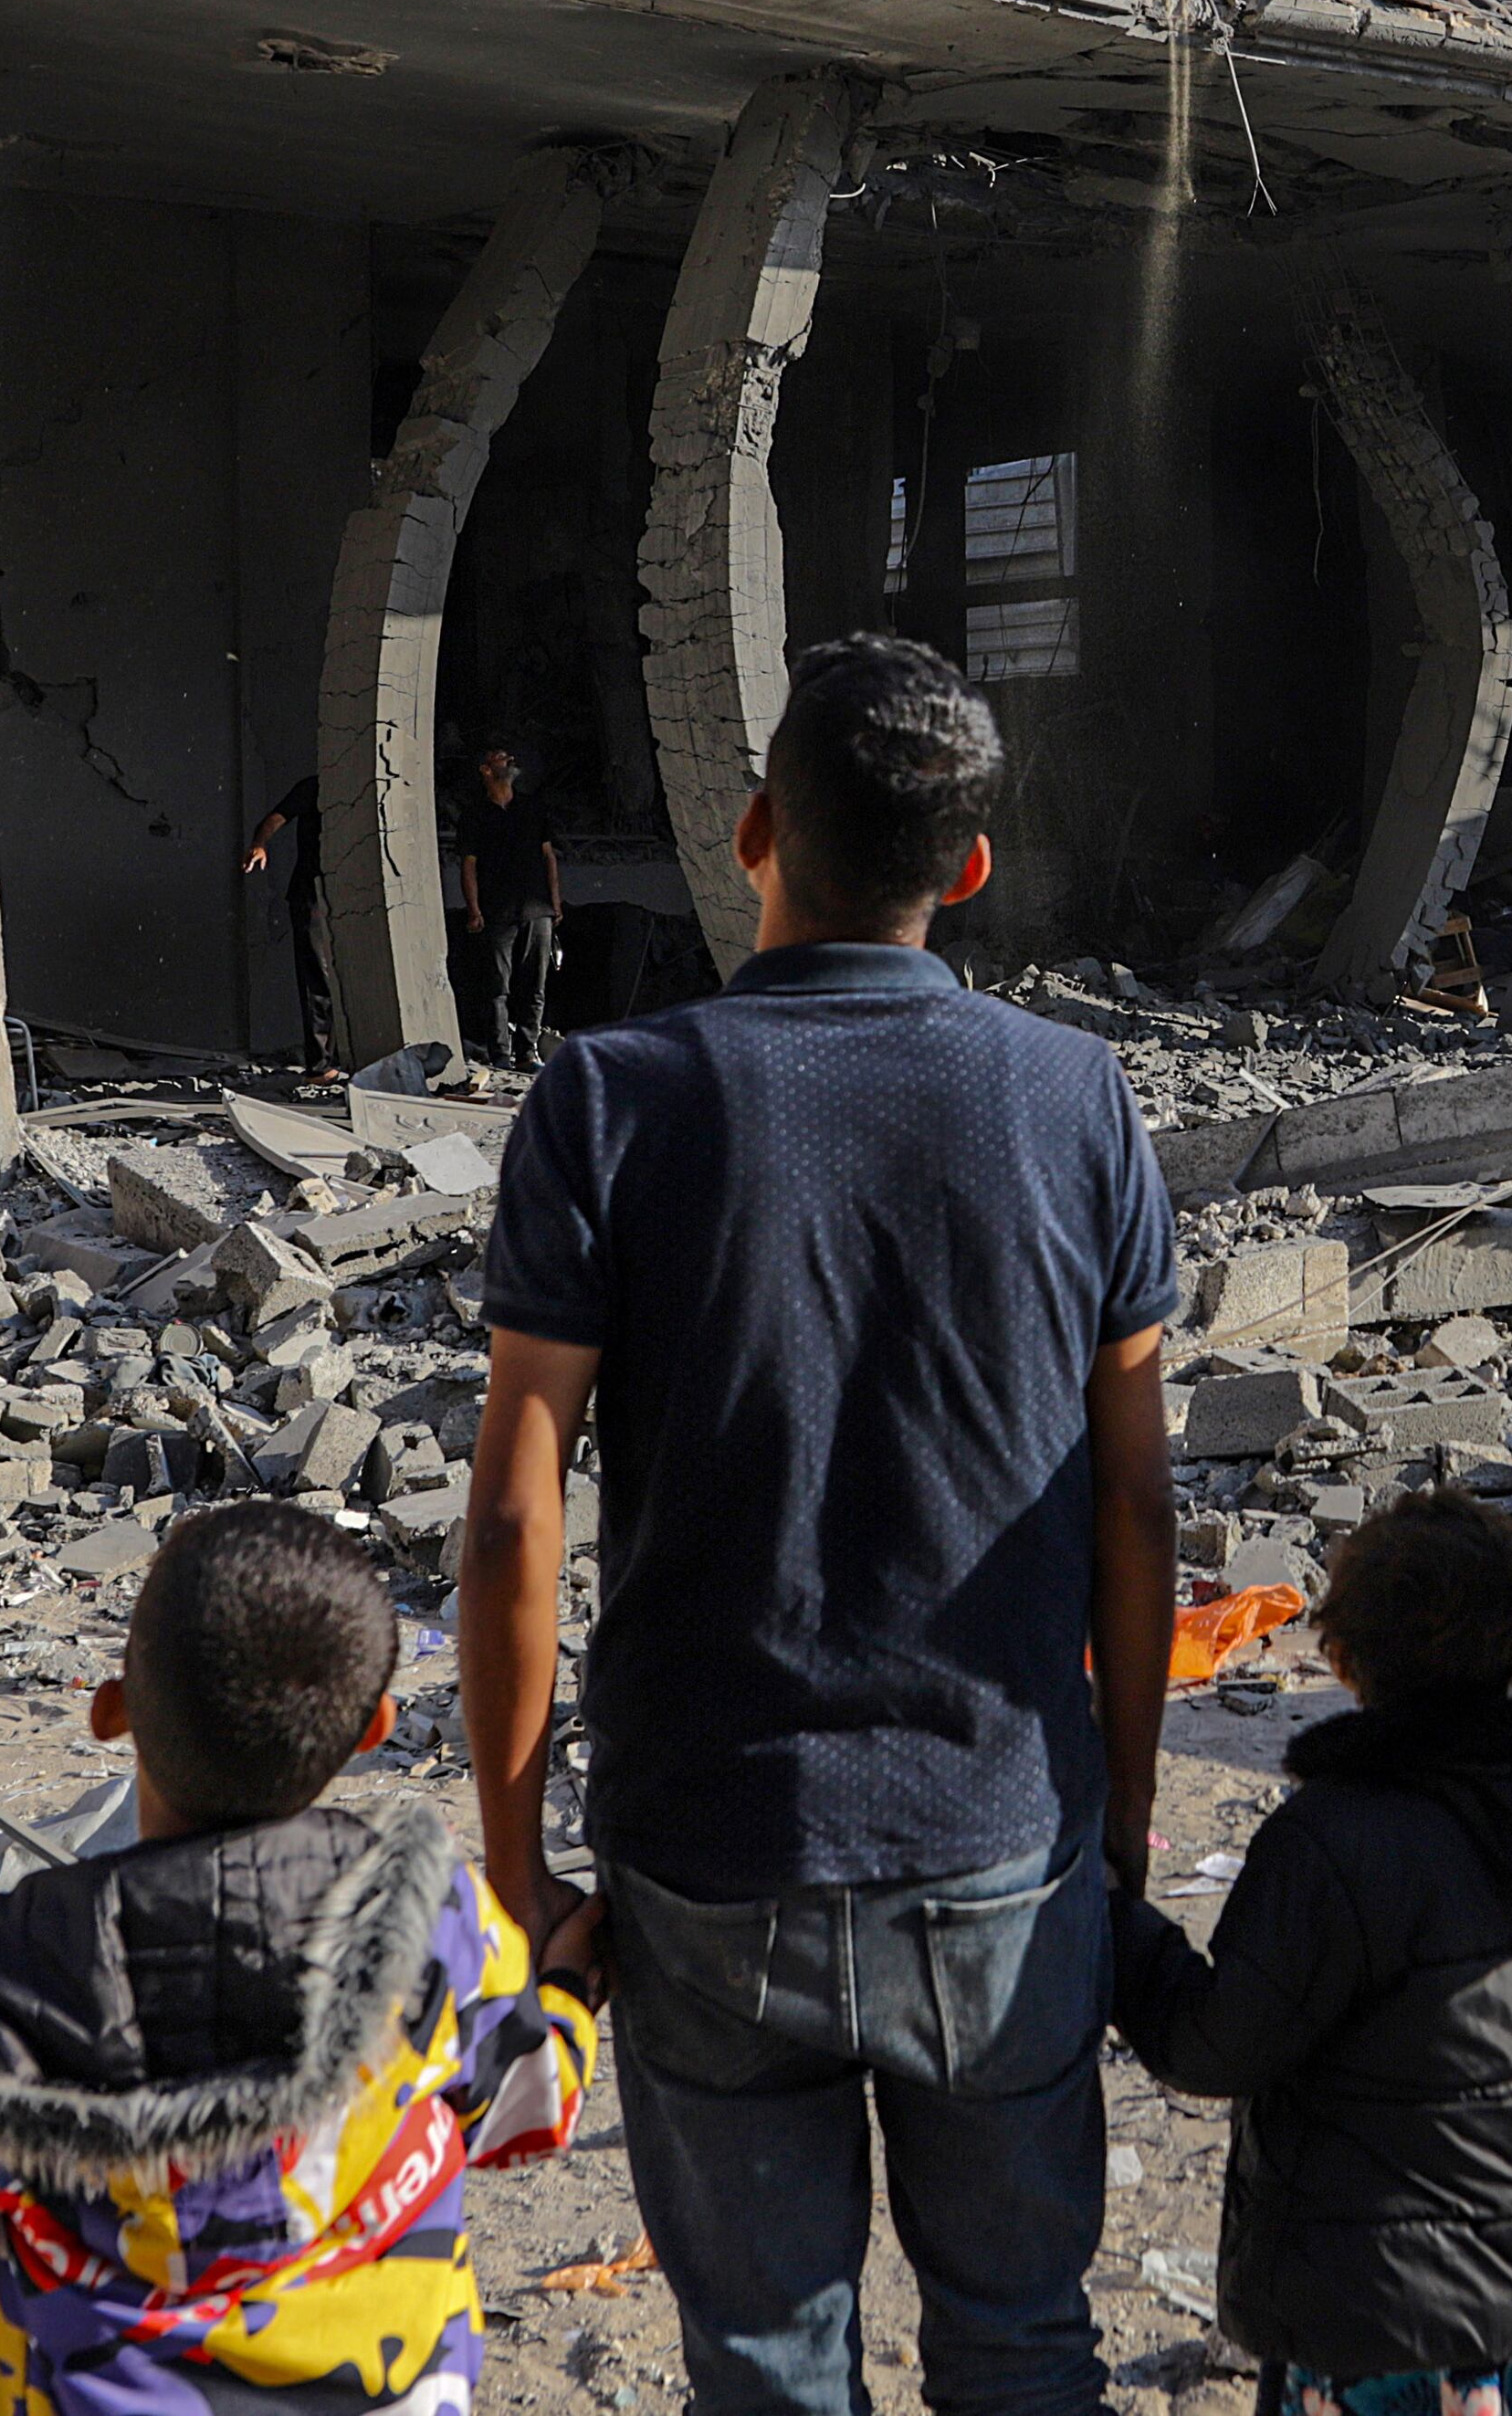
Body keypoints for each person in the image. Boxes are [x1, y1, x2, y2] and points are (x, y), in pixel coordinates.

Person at [463, 632, 1179, 2416]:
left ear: (755, 826)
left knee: (765, 2369)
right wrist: (1129, 1813)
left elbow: (510, 1505)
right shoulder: (1075, 1099)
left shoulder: (611, 1098)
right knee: (1022, 2340)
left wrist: (511, 1842)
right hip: (998, 1837)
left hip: (711, 1845)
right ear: (974, 866)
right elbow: (1138, 1496)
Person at [0, 1506, 599, 2413]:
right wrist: (570, 1990)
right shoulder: (436, 1927)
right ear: (374, 1729)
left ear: (111, 1710)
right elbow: (525, 2113)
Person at [1111, 1491, 1512, 2416]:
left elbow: (1214, 2045)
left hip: (1366, 2314)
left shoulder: (1328, 1839)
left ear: (1344, 1661)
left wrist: (1119, 1928)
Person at [457, 748, 564, 1069]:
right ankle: (501, 1053)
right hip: (497, 911)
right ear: (486, 770)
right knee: (496, 986)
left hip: (536, 909)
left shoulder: (531, 807)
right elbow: (468, 865)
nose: (510, 762)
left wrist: (554, 902)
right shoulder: (475, 814)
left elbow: (549, 856)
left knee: (534, 985)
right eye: (502, 758)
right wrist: (474, 909)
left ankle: (527, 1051)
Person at [240, 771, 343, 1074]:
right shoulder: (315, 786)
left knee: (342, 978)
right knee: (316, 978)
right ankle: (322, 1063)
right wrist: (260, 844)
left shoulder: (363, 789)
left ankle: (343, 1056)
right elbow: (275, 818)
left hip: (347, 892)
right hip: (310, 893)